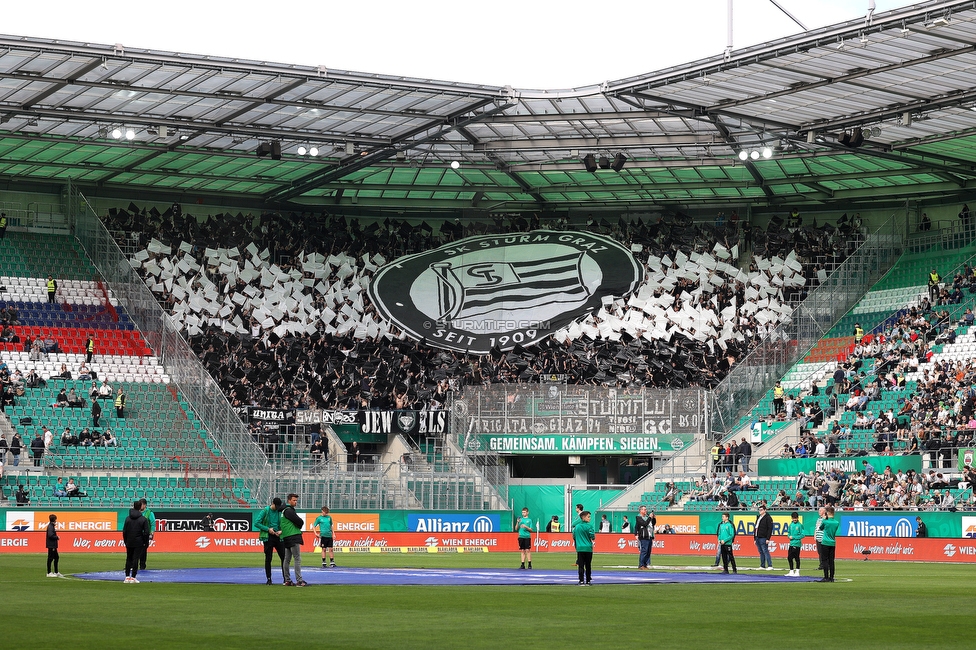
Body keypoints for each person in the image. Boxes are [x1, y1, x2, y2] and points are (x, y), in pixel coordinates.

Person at [254, 497, 285, 585]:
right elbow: (257, 523)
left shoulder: (279, 511)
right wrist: (268, 529)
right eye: (277, 506)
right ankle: (269, 578)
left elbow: (283, 523)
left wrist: (281, 530)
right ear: (272, 503)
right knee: (268, 558)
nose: (278, 508)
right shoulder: (265, 511)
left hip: (278, 536)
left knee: (284, 557)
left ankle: (286, 578)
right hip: (268, 537)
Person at [279, 493, 307, 587]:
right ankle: (299, 580)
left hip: (286, 536)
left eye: (296, 500)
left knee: (287, 559)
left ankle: (287, 580)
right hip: (293, 536)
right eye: (294, 500)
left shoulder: (283, 511)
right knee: (297, 558)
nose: (295, 502)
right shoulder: (289, 510)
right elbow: (299, 521)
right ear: (289, 500)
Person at [122, 500, 150, 583]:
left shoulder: (128, 518)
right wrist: (145, 541)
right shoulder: (143, 519)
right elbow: (146, 532)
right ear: (140, 507)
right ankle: (133, 577)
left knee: (128, 558)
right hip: (139, 542)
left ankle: (127, 577)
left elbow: (124, 531)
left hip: (129, 541)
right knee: (135, 559)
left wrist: (126, 541)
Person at [573, 510, 595, 585]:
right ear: (583, 517)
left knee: (581, 565)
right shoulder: (589, 526)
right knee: (588, 565)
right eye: (588, 517)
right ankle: (588, 580)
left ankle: (581, 580)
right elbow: (592, 536)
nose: (589, 518)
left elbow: (574, 536)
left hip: (580, 548)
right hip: (588, 548)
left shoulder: (577, 527)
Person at [818, 505, 840, 583]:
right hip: (832, 542)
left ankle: (826, 577)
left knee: (825, 560)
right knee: (831, 560)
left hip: (825, 542)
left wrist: (824, 519)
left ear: (827, 513)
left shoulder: (825, 521)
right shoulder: (836, 522)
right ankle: (831, 577)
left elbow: (820, 528)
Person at [635, 505, 655, 570]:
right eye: (644, 509)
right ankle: (641, 564)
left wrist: (653, 518)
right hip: (644, 536)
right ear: (641, 510)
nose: (646, 511)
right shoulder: (638, 517)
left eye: (646, 509)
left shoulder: (647, 517)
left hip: (649, 535)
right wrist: (649, 518)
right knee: (644, 551)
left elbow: (653, 523)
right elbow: (644, 524)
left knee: (648, 551)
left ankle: (645, 564)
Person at [754, 504, 773, 570]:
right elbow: (756, 528)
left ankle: (770, 565)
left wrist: (768, 538)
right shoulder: (758, 517)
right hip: (758, 536)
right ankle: (762, 565)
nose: (760, 511)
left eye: (761, 510)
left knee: (765, 551)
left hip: (763, 537)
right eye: (759, 510)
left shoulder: (768, 518)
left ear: (765, 510)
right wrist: (754, 538)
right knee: (761, 551)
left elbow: (770, 529)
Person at [786, 511, 804, 577]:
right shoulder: (791, 525)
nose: (794, 519)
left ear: (798, 518)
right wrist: (789, 536)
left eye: (795, 518)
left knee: (796, 558)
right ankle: (791, 571)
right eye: (793, 518)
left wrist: (794, 537)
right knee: (789, 558)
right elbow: (788, 533)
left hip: (797, 544)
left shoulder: (800, 525)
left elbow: (803, 535)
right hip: (791, 544)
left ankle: (797, 571)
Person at [139, 498, 155, 570]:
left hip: (145, 534)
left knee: (143, 550)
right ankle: (133, 565)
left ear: (145, 505)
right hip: (137, 533)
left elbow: (152, 523)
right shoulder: (137, 511)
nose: (140, 506)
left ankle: (142, 565)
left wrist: (152, 532)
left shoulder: (149, 513)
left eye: (141, 505)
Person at [814, 506, 827, 571]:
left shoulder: (825, 519)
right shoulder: (818, 519)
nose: (819, 512)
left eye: (820, 511)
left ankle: (826, 565)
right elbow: (816, 528)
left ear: (824, 512)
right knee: (820, 552)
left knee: (824, 553)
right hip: (818, 538)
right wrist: (815, 535)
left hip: (823, 538)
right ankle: (821, 565)